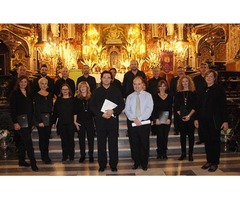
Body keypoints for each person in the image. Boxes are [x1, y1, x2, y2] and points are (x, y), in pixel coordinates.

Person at [90, 70, 125, 172]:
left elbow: (122, 104)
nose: (106, 79)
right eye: (104, 77)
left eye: (108, 77)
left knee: (113, 143)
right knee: (101, 143)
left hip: (112, 121)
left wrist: (113, 111)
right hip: (100, 121)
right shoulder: (96, 91)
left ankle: (113, 164)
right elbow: (92, 106)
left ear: (111, 79)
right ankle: (102, 164)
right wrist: (101, 114)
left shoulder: (116, 90)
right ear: (101, 79)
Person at [194, 69, 228, 172]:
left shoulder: (219, 89)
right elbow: (198, 106)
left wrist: (225, 121)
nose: (209, 78)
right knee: (207, 141)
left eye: (211, 76)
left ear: (214, 78)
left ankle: (215, 162)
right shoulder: (202, 89)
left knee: (215, 141)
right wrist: (196, 118)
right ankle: (209, 160)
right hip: (204, 120)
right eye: (207, 76)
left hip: (214, 120)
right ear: (205, 78)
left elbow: (223, 106)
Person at [9, 75, 38, 171]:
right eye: (21, 82)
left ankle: (21, 160)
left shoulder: (29, 93)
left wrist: (33, 122)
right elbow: (13, 110)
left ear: (27, 83)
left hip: (28, 121)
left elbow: (31, 108)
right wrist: (15, 122)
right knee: (28, 142)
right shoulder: (15, 93)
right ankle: (33, 163)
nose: (23, 83)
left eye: (25, 82)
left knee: (22, 142)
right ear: (18, 83)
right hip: (20, 121)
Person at [125, 76, 153, 171]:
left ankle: (144, 163)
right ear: (133, 85)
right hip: (132, 123)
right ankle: (136, 162)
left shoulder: (148, 96)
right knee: (134, 143)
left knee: (144, 143)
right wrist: (134, 119)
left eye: (139, 84)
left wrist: (140, 119)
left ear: (142, 85)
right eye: (135, 84)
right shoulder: (129, 97)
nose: (137, 86)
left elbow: (149, 109)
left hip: (144, 123)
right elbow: (127, 110)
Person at [174, 75, 197, 161]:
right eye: (183, 81)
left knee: (191, 136)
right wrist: (181, 115)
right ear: (180, 83)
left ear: (189, 82)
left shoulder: (193, 92)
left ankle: (190, 154)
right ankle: (183, 153)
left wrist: (189, 116)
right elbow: (176, 105)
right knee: (182, 136)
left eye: (186, 81)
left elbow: (195, 105)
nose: (185, 83)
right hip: (181, 117)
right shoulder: (178, 93)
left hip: (191, 116)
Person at [52, 83, 75, 163]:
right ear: (61, 91)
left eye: (66, 89)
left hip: (71, 123)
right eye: (63, 89)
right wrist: (54, 122)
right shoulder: (58, 100)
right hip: (61, 123)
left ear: (69, 90)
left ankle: (71, 155)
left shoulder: (73, 100)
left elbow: (76, 112)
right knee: (64, 140)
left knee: (71, 140)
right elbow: (55, 112)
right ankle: (65, 156)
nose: (65, 91)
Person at [74, 81, 95, 163]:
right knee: (81, 139)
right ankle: (82, 155)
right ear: (79, 88)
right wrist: (75, 121)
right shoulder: (76, 98)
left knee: (91, 139)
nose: (83, 88)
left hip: (90, 120)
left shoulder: (91, 97)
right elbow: (74, 111)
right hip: (80, 121)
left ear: (87, 88)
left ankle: (91, 155)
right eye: (81, 87)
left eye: (84, 87)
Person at [151, 79, 173, 160]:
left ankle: (164, 153)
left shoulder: (170, 97)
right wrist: (156, 119)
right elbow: (154, 109)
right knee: (159, 136)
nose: (162, 88)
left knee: (165, 137)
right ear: (158, 87)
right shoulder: (154, 96)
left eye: (164, 86)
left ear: (166, 87)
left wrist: (169, 119)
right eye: (161, 86)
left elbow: (170, 109)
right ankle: (159, 152)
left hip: (166, 119)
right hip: (158, 119)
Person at [34, 77, 53, 164]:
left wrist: (52, 121)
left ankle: (47, 155)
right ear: (39, 85)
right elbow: (36, 109)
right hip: (41, 119)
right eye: (42, 83)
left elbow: (51, 108)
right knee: (42, 138)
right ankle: (44, 157)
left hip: (48, 118)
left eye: (45, 83)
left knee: (47, 138)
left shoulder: (49, 94)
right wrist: (39, 121)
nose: (44, 85)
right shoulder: (37, 95)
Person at [147, 66, 166, 135]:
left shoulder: (163, 80)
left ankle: (161, 130)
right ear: (153, 72)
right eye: (154, 71)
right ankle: (153, 130)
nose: (156, 73)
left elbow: (166, 90)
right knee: (153, 116)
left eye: (157, 71)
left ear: (159, 72)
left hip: (161, 100)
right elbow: (148, 91)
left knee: (161, 114)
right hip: (152, 100)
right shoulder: (150, 81)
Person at [193, 62, 209, 144]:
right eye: (202, 67)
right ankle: (201, 138)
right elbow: (193, 89)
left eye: (205, 67)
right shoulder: (196, 79)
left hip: (208, 102)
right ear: (199, 68)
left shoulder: (210, 78)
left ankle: (207, 138)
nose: (203, 68)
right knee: (199, 120)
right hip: (199, 101)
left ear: (207, 68)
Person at [169, 66, 186, 135]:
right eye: (179, 71)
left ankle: (184, 130)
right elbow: (171, 91)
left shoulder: (187, 79)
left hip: (185, 99)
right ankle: (176, 130)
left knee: (185, 114)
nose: (180, 72)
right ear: (177, 72)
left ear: (184, 71)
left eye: (182, 71)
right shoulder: (173, 80)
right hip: (177, 100)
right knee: (176, 116)